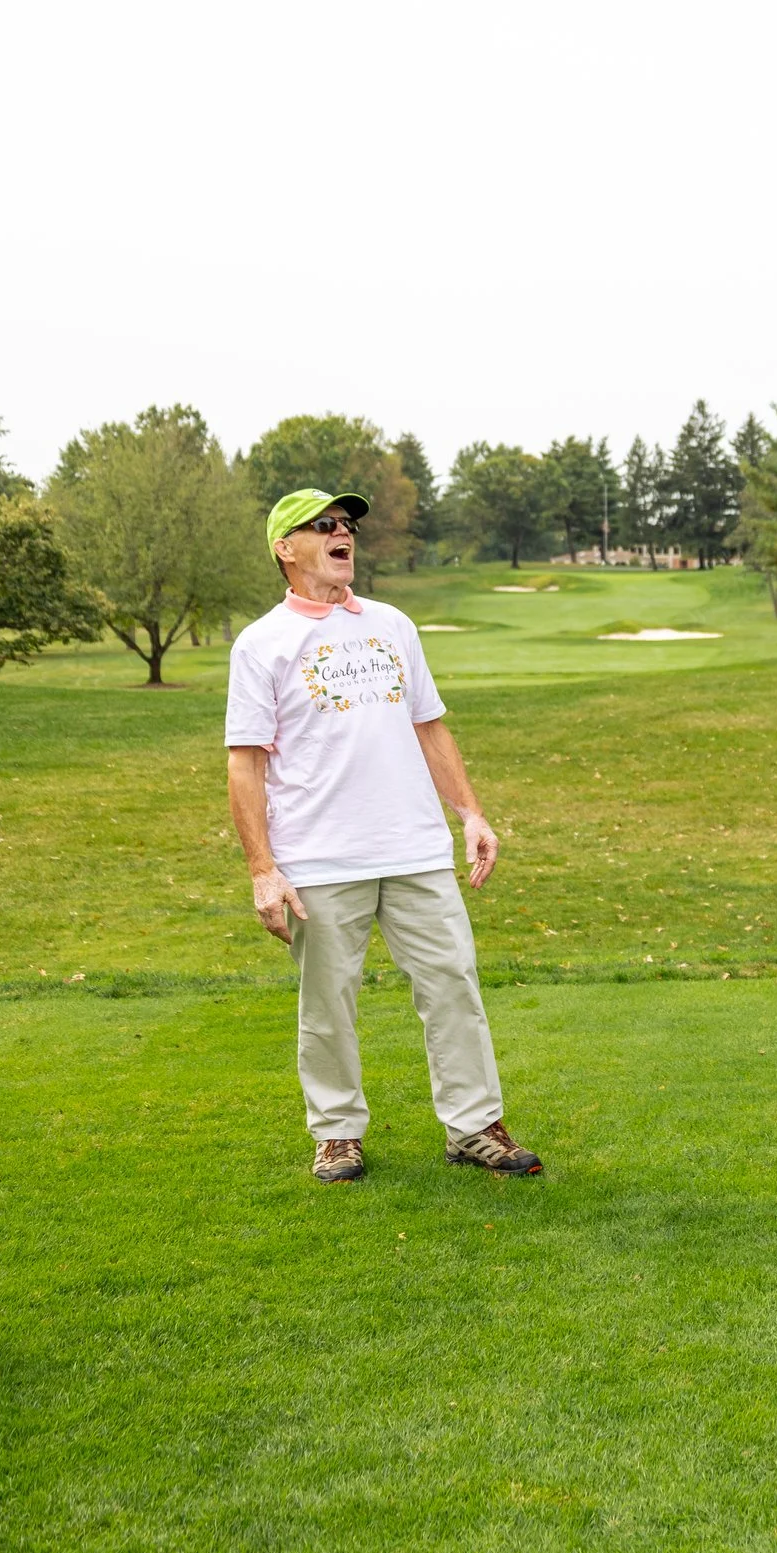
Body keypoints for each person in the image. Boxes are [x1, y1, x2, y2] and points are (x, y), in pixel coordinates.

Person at [226, 488, 543, 1186]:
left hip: (416, 847)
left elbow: (429, 725)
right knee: (328, 1002)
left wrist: (471, 814)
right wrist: (262, 869)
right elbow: (245, 763)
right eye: (326, 526)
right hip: (320, 855)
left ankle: (474, 1127)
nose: (345, 534)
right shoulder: (262, 643)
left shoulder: (393, 625)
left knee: (453, 984)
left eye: (348, 526)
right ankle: (337, 1133)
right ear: (286, 548)